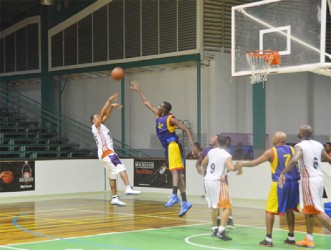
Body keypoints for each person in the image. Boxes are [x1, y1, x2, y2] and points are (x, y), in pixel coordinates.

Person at [130, 80, 195, 217]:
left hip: (173, 145)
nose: (157, 106)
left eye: (160, 105)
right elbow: (147, 103)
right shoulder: (158, 116)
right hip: (168, 148)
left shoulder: (170, 119)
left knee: (175, 172)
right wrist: (138, 90)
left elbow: (185, 129)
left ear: (164, 109)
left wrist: (193, 144)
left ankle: (174, 196)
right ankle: (185, 203)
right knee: (177, 176)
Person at [236, 131, 300, 247]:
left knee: (269, 210)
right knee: (290, 209)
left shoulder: (271, 152)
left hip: (280, 183)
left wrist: (242, 164)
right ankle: (291, 237)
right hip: (294, 183)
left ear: (275, 140)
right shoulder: (292, 149)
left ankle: (268, 239)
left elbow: (255, 162)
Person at [278, 125, 331, 248]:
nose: (296, 131)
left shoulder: (300, 146)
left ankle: (310, 238)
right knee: (309, 210)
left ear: (301, 134)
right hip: (319, 179)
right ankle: (309, 239)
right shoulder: (318, 145)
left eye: (298, 130)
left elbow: (294, 159)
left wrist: (282, 173)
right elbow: (329, 159)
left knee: (316, 210)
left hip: (309, 180)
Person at [91, 92, 141, 207]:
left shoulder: (101, 125)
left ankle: (114, 198)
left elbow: (106, 115)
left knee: (112, 175)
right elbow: (103, 112)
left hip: (103, 155)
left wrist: (112, 107)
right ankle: (128, 187)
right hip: (107, 153)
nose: (99, 117)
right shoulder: (95, 127)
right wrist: (109, 101)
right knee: (121, 167)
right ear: (93, 121)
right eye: (97, 117)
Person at [198, 135, 241, 241]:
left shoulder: (211, 152)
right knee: (227, 206)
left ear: (217, 143)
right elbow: (231, 167)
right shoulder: (226, 154)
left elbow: (203, 164)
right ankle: (221, 231)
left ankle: (214, 229)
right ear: (226, 143)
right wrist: (239, 166)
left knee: (214, 206)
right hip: (218, 182)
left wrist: (203, 170)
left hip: (208, 180)